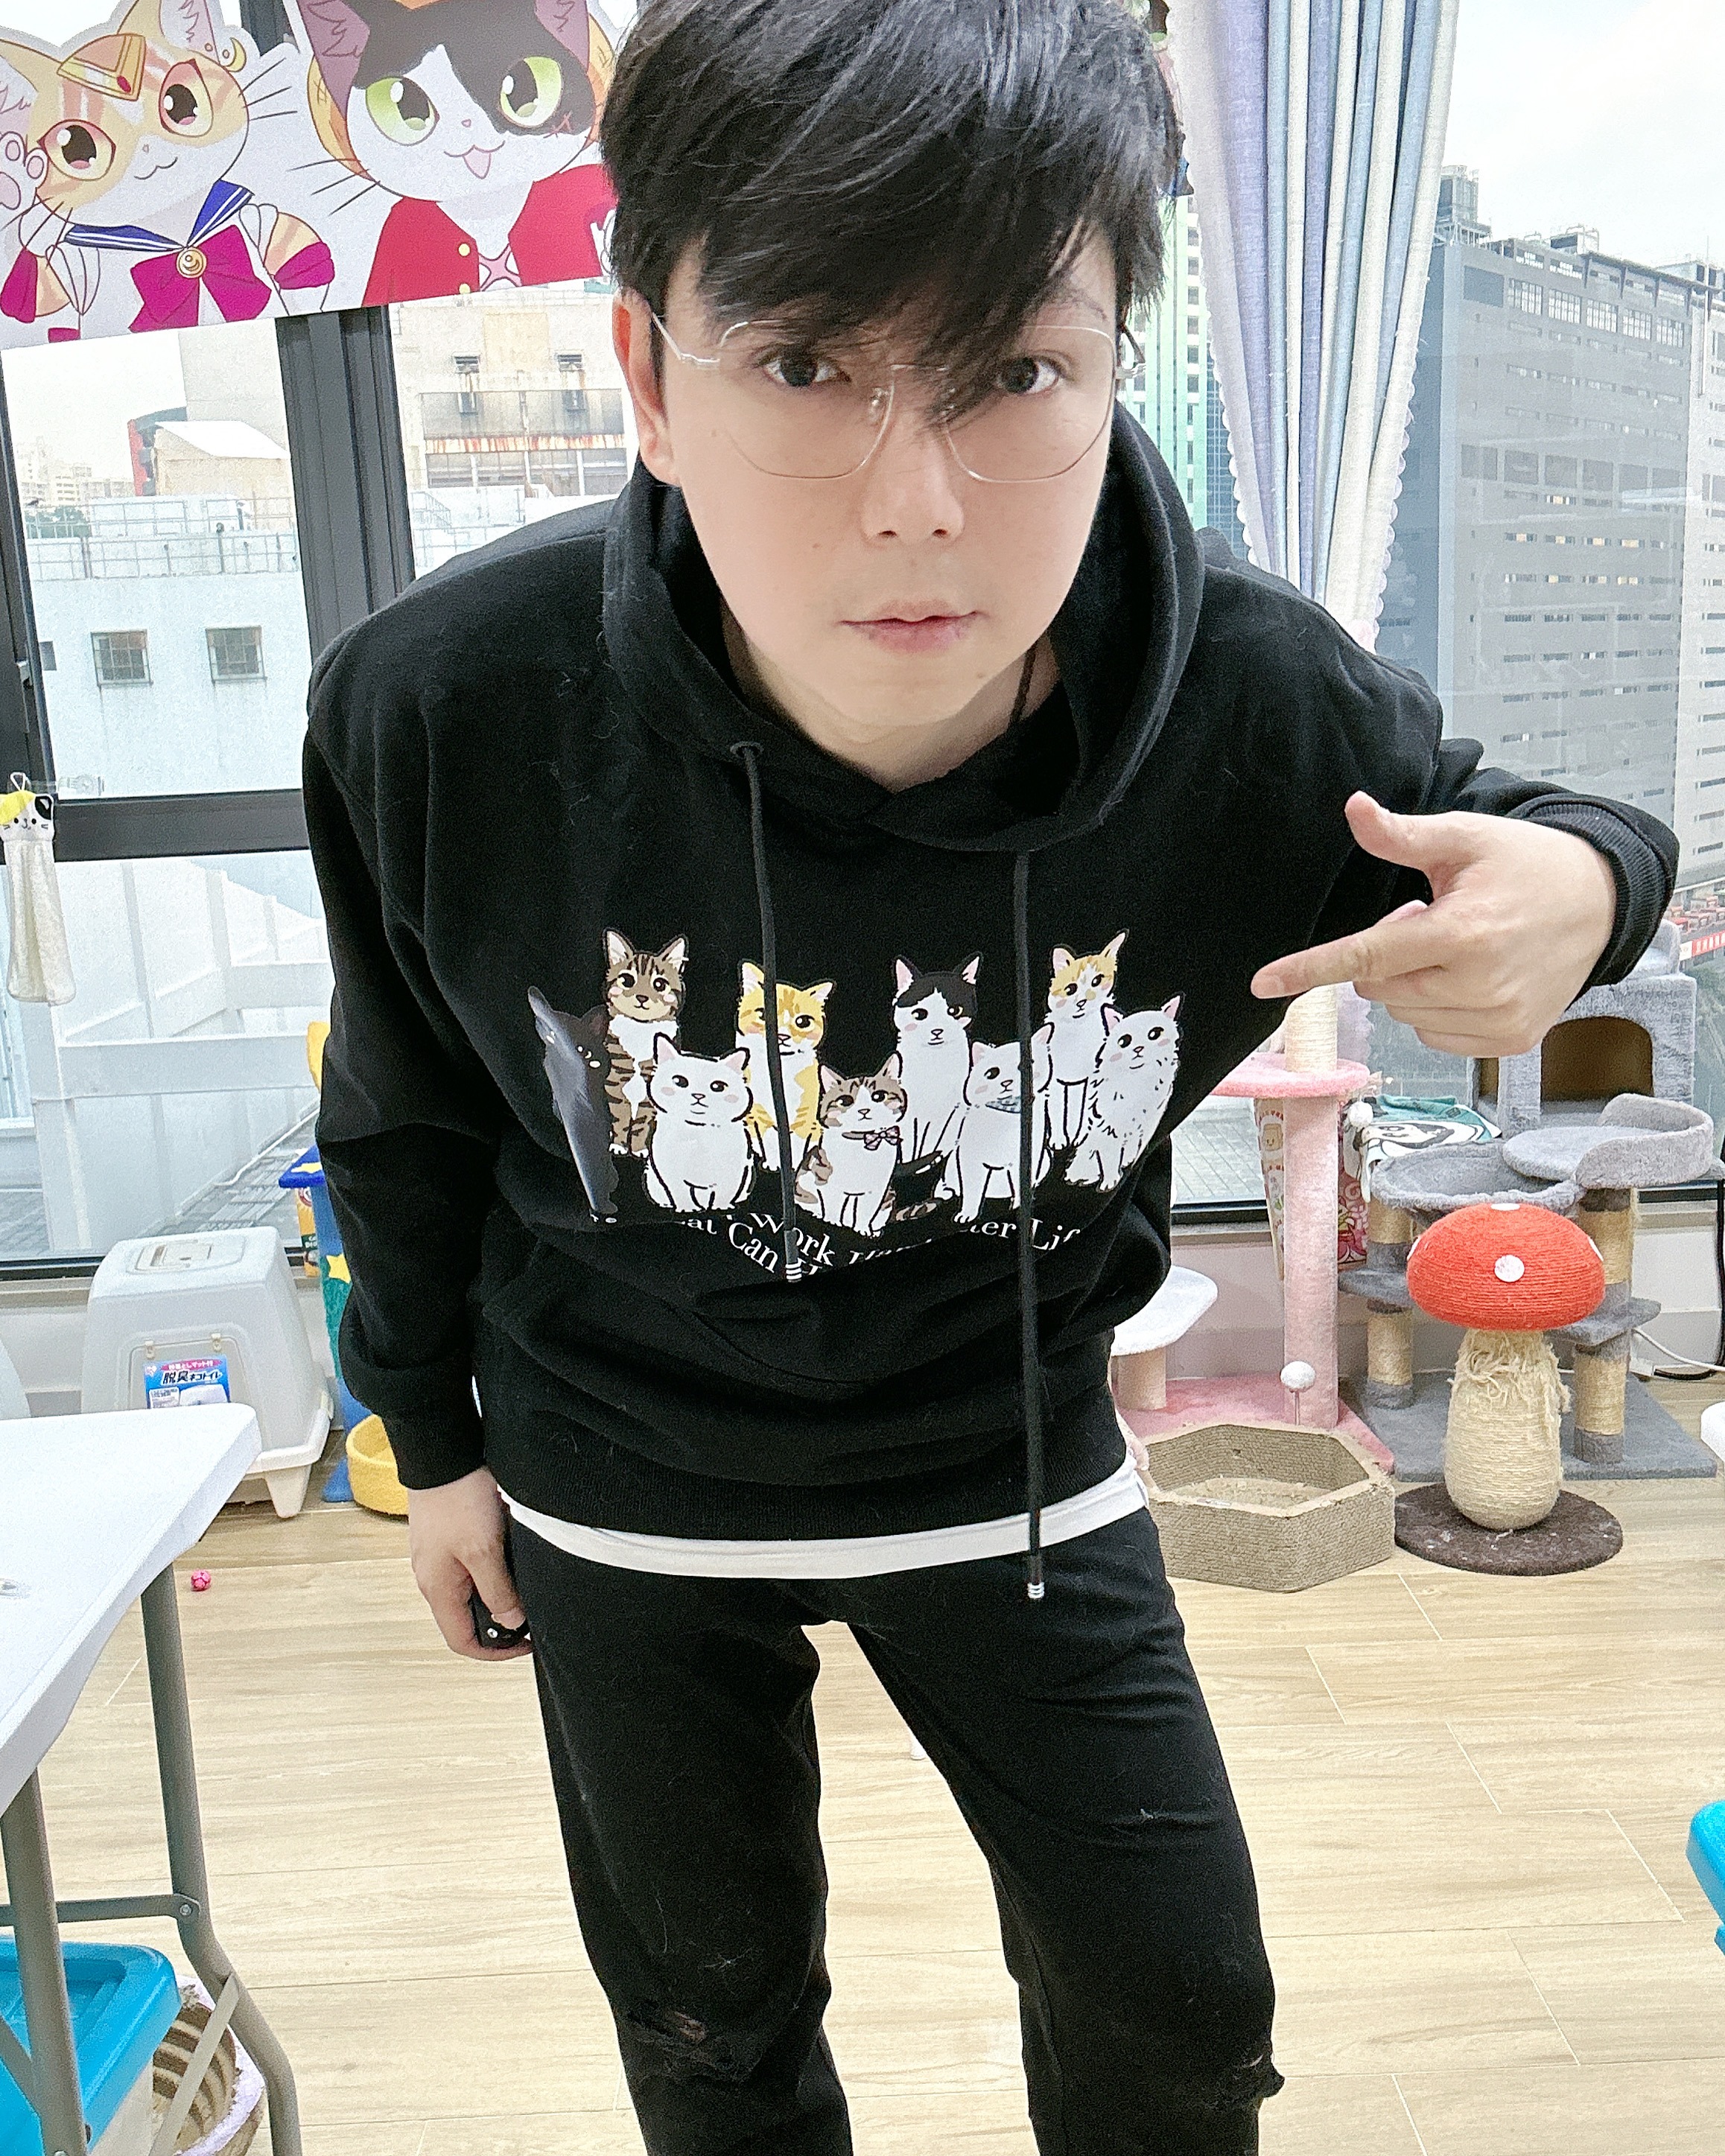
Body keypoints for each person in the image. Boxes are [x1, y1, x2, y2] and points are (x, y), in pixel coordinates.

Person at [302, 2, 1677, 2149]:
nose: (915, 505)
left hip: (1010, 1459)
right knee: (710, 2026)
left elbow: (1552, 830)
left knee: (1179, 2007)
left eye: (1014, 373)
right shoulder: (447, 709)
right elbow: (400, 1114)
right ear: (650, 378)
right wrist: (430, 1441)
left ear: (1118, 359)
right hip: (618, 1471)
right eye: (803, 365)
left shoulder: (1250, 704)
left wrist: (1580, 891)